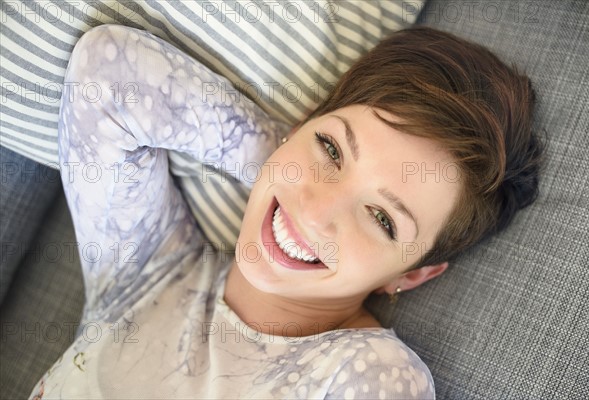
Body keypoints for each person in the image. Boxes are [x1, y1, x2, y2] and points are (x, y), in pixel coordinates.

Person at [30, 24, 541, 399]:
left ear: (412, 274)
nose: (317, 211)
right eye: (332, 149)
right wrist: (281, 166)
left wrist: (304, 162)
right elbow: (109, 74)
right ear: (301, 125)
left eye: (382, 219)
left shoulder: (366, 374)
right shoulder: (145, 274)